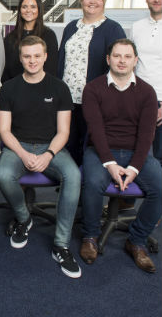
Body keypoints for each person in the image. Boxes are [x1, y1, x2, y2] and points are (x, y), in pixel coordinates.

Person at [0, 35, 82, 279]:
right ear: (20, 58)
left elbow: (64, 131)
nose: (32, 60)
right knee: (2, 174)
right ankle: (24, 219)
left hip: (51, 146)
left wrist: (48, 154)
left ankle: (61, 244)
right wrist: (23, 154)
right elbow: (4, 130)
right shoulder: (10, 88)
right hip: (18, 145)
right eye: (26, 56)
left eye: (36, 55)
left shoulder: (59, 87)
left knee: (73, 176)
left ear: (45, 57)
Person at [80, 38, 162, 273]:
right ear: (108, 59)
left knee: (159, 187)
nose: (122, 61)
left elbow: (147, 135)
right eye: (117, 56)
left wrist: (134, 167)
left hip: (138, 152)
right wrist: (110, 164)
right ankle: (90, 237)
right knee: (93, 183)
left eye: (127, 56)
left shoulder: (147, 92)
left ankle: (136, 241)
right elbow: (96, 130)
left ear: (136, 60)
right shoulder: (93, 88)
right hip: (102, 150)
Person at [57, 0, 126, 165]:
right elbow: (61, 60)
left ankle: (87, 186)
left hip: (95, 100)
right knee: (68, 143)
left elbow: (118, 65)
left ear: (104, 2)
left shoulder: (112, 28)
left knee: (91, 146)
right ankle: (71, 183)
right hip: (67, 99)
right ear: (82, 1)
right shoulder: (71, 27)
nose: (92, 2)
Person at [131, 0, 162, 166]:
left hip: (161, 100)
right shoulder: (136, 27)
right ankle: (123, 195)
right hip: (136, 99)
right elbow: (131, 64)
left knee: (159, 156)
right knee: (132, 151)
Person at [3, 0, 58, 82]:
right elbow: (6, 69)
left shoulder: (49, 35)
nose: (28, 10)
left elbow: (52, 69)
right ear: (20, 10)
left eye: (33, 7)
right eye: (24, 7)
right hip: (16, 89)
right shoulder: (10, 38)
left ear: (39, 10)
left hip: (41, 89)